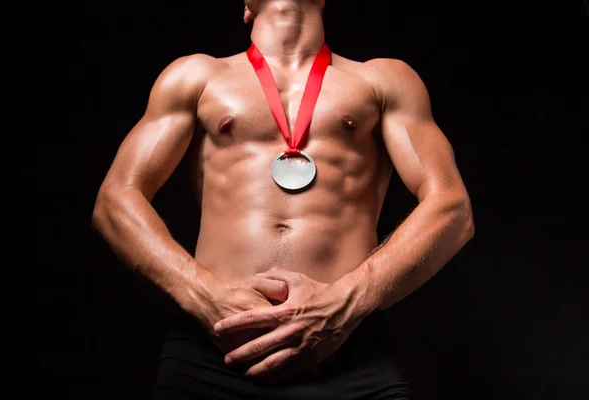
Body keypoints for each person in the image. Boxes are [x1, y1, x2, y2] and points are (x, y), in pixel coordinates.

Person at [92, 0, 475, 398]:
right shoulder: (196, 75)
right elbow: (115, 200)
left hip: (346, 350)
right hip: (212, 350)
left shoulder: (384, 79)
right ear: (245, 7)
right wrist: (204, 296)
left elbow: (452, 206)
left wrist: (345, 303)